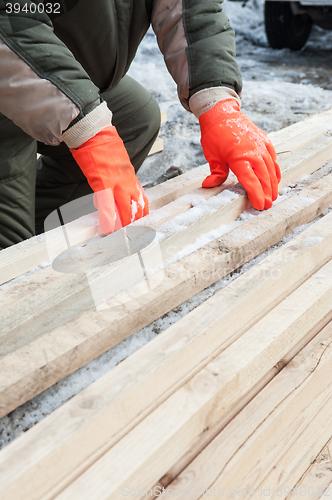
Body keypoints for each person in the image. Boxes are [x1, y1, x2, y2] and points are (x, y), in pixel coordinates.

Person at [0, 0, 280, 250]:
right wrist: (90, 134)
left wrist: (218, 106)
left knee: (135, 118)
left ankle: (41, 235)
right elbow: (11, 21)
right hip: (8, 76)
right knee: (9, 254)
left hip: (55, 77)